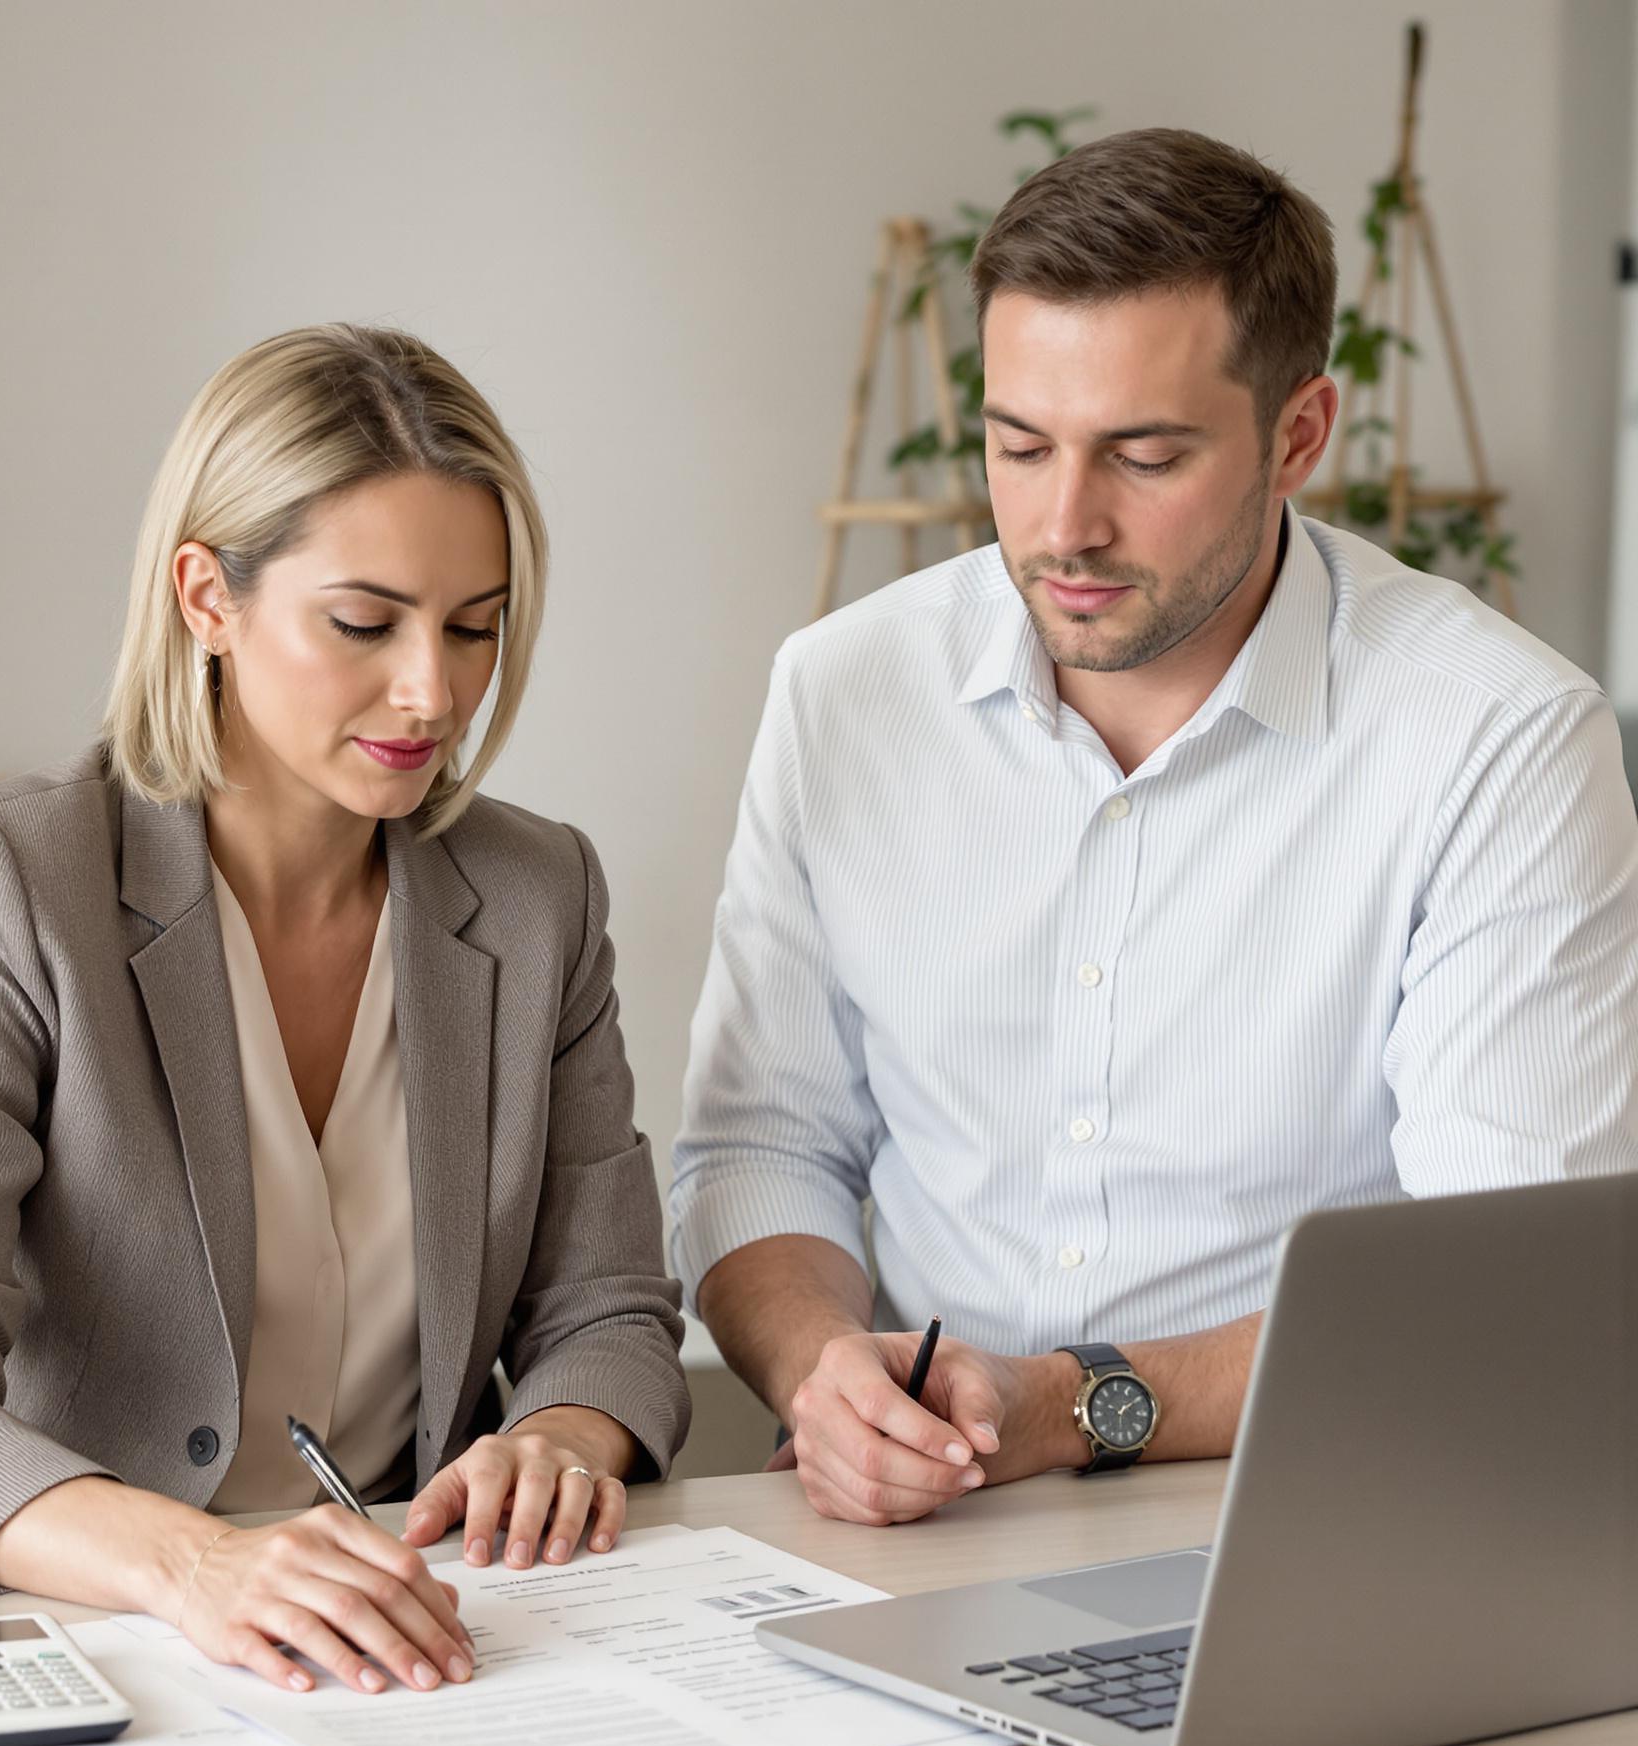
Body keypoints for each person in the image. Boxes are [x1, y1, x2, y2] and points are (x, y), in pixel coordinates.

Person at [671, 128, 1638, 1526]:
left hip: (1325, 1509)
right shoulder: (845, 693)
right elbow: (762, 1148)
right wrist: (834, 1379)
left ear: (1299, 435)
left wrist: (1066, 1408)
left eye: (1145, 454)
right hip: (930, 1514)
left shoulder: (1497, 741)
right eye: (1018, 445)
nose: (1065, 525)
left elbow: (1492, 1289)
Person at [0, 326, 690, 1694]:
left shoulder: (536, 892)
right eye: (364, 624)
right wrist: (194, 1563)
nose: (433, 690)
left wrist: (557, 1438)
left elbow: (608, 1309)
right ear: (206, 597)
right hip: (34, 1619)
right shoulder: (10, 879)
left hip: (380, 1641)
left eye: (475, 626)